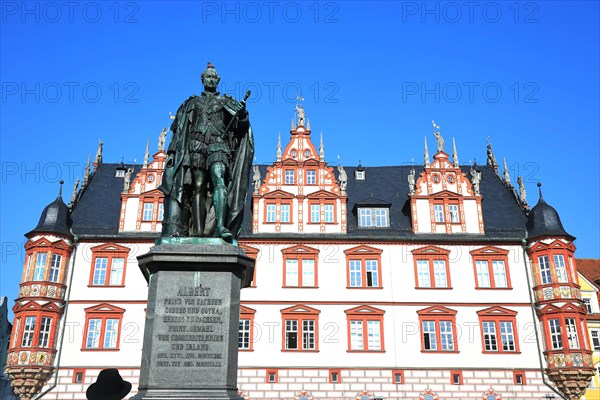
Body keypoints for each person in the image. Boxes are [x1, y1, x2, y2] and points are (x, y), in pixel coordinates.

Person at [159, 62, 254, 242]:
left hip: (219, 145)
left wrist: (242, 115)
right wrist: (171, 153)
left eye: (214, 77)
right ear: (202, 79)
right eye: (207, 77)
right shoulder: (191, 103)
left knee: (220, 182)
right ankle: (198, 231)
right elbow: (179, 132)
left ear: (218, 80)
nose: (211, 80)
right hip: (196, 145)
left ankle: (220, 226)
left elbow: (240, 127)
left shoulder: (226, 101)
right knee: (198, 188)